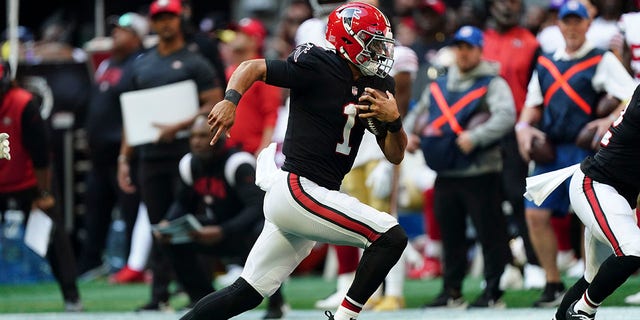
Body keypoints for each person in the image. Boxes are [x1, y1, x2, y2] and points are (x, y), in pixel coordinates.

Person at [181, 3, 408, 320]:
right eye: (373, 41)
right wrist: (231, 100)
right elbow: (252, 67)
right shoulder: (317, 64)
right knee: (389, 235)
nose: (381, 50)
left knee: (246, 293)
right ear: (347, 40)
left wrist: (393, 121)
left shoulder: (377, 86)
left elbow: (395, 154)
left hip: (311, 195)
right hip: (298, 188)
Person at [516, 0, 636, 308]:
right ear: (559, 24)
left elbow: (628, 95)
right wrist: (523, 128)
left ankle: (589, 281)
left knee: (590, 220)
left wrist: (608, 121)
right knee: (535, 214)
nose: (570, 27)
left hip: (587, 145)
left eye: (576, 21)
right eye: (566, 21)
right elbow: (532, 103)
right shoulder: (546, 62)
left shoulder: (601, 58)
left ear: (587, 25)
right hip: (553, 146)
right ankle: (552, 281)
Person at [116, 0, 223, 311]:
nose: (165, 24)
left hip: (185, 155)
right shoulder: (142, 64)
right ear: (152, 22)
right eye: (159, 18)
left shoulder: (195, 61)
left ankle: (198, 292)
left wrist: (180, 124)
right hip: (150, 155)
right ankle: (158, 294)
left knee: (188, 222)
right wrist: (125, 158)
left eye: (170, 17)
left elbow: (214, 105)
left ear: (179, 20)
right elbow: (131, 116)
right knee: (157, 225)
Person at [413, 25, 515, 308]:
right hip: (445, 171)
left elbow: (506, 116)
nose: (463, 53)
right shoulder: (440, 83)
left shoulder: (492, 82)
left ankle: (493, 291)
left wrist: (477, 136)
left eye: (469, 47)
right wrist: (409, 134)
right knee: (450, 235)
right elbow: (419, 112)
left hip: (480, 170)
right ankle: (451, 290)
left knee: (490, 234)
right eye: (459, 47)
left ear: (480, 50)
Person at [155, 116, 286, 319]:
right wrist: (168, 222)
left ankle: (276, 304)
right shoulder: (189, 164)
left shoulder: (238, 163)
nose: (196, 141)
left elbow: (258, 207)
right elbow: (183, 202)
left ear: (218, 137)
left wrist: (223, 231)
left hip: (244, 230)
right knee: (171, 239)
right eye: (193, 136)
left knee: (261, 232)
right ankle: (203, 299)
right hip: (217, 227)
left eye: (202, 136)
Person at [544, 83, 640, 320]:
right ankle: (582, 311)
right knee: (634, 251)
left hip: (618, 198)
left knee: (592, 277)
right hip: (596, 187)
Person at [0, 60, 83, 312]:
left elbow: (41, 154)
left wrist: (44, 192)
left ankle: (72, 297)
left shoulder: (23, 103)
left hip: (30, 180)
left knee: (52, 236)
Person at [78, 12, 147, 278]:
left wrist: (126, 153)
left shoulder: (140, 64)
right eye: (114, 30)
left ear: (137, 36)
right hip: (99, 152)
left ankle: (133, 264)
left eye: (123, 30)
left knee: (130, 209)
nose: (115, 34)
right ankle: (91, 261)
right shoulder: (105, 64)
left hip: (124, 151)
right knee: (95, 208)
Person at [482, 0, 542, 289]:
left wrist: (531, 128)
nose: (507, 6)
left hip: (516, 130)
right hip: (483, 131)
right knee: (489, 202)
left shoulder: (530, 43)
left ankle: (533, 262)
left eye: (513, 1)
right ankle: (503, 266)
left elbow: (538, 89)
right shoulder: (478, 41)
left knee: (519, 197)